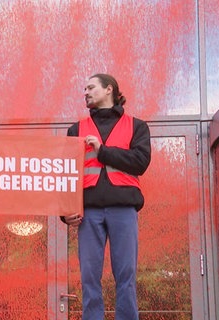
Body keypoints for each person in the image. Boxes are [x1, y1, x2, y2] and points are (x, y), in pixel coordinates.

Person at [63, 74, 151, 320]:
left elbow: (140, 162)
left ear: (108, 89)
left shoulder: (137, 126)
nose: (86, 92)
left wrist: (103, 152)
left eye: (91, 87)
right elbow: (67, 174)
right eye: (85, 88)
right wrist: (64, 212)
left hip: (124, 210)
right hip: (88, 213)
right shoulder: (76, 129)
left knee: (126, 277)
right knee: (89, 277)